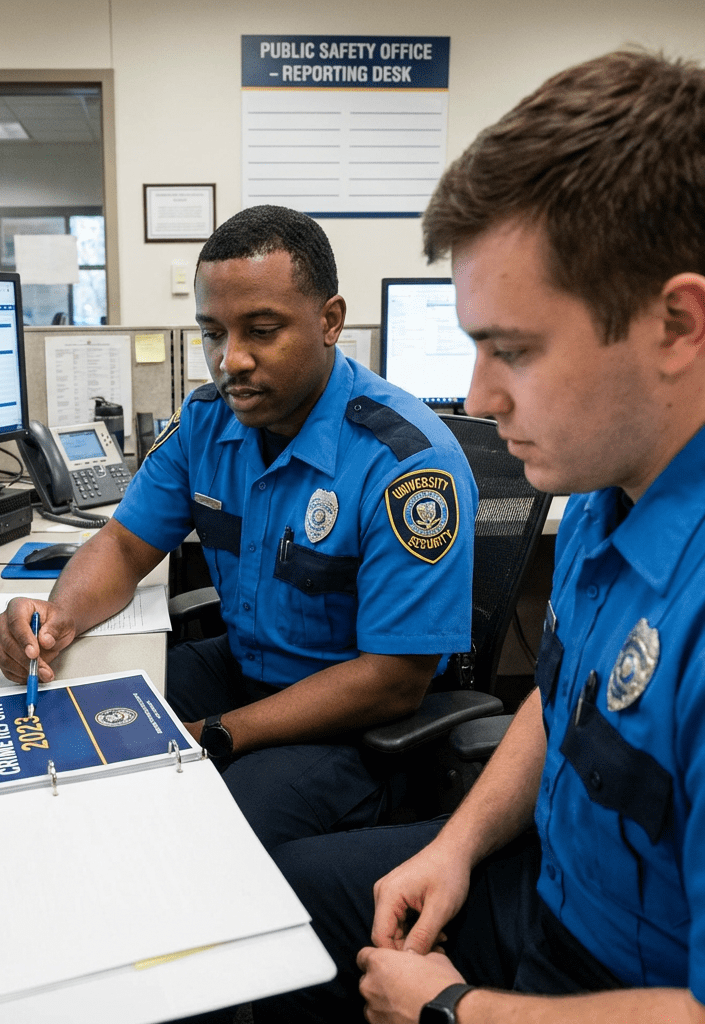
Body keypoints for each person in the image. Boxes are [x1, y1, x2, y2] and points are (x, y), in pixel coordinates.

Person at [254, 49, 705, 1024]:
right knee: (269, 903)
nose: (480, 399)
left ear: (676, 323)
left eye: (516, 350)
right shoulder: (604, 483)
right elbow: (558, 699)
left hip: (619, 982)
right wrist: (452, 846)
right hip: (541, 887)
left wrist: (453, 1007)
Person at [0, 205, 476, 852]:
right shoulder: (208, 422)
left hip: (355, 720)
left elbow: (392, 678)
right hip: (246, 663)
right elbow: (124, 544)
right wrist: (57, 622)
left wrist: (218, 732)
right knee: (68, 710)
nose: (232, 360)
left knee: (201, 833)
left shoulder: (406, 465)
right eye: (213, 333)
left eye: (262, 330)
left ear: (330, 321)